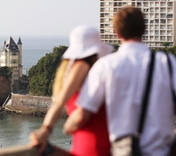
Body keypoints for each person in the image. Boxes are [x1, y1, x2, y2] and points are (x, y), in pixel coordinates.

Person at [63, 7, 176, 155]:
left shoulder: (106, 65)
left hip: (125, 150)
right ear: (144, 29)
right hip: (163, 150)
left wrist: (67, 126)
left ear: (116, 33)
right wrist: (158, 111)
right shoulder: (165, 61)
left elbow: (82, 114)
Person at [29, 24, 113, 156]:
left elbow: (60, 102)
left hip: (87, 146)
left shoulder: (77, 68)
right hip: (99, 145)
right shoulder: (89, 68)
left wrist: (46, 129)